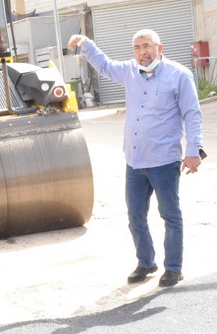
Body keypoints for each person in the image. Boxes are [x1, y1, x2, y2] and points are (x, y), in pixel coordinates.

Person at [68, 30, 203, 287]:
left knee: (170, 216)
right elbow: (105, 65)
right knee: (135, 216)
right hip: (135, 160)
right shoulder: (130, 71)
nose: (143, 52)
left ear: (159, 47)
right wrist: (85, 44)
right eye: (137, 47)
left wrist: (193, 149)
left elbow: (192, 114)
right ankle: (146, 262)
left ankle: (173, 268)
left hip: (164, 161)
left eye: (147, 46)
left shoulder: (179, 75)